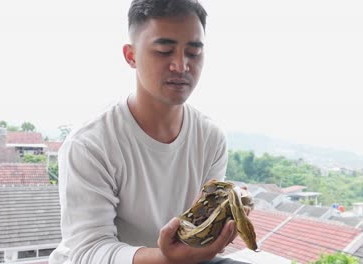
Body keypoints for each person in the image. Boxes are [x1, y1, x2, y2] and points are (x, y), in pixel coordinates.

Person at [49, 0, 249, 263]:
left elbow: (200, 232)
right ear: (131, 56)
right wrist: (168, 258)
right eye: (164, 51)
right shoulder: (90, 144)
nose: (181, 65)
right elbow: (88, 251)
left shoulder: (210, 138)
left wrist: (227, 213)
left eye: (193, 52)